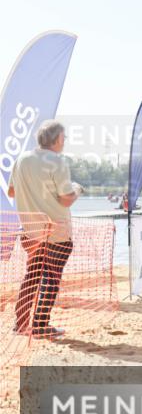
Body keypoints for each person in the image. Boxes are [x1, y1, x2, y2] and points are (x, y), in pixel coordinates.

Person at [8, 120, 81, 339]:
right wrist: (77, 189)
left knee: (32, 275)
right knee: (51, 278)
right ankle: (41, 325)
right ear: (57, 139)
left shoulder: (21, 159)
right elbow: (66, 199)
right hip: (55, 231)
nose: (65, 142)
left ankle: (20, 324)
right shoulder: (57, 162)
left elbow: (12, 192)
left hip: (30, 232)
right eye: (64, 138)